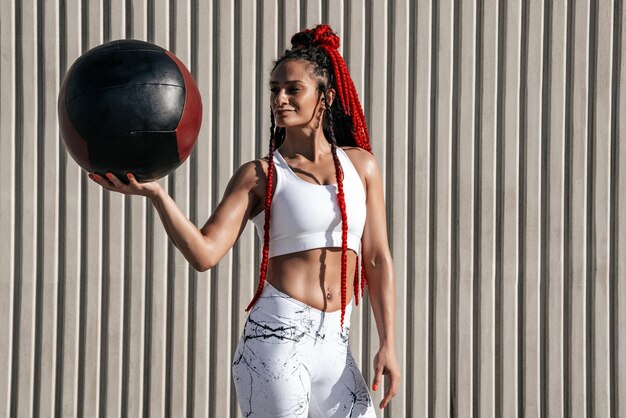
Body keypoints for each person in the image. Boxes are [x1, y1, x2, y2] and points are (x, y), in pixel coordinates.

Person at [89, 24, 400, 418]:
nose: (280, 99)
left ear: (326, 97)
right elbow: (204, 253)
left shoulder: (361, 166)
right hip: (276, 341)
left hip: (337, 346)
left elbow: (376, 259)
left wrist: (388, 342)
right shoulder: (261, 176)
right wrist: (158, 195)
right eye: (274, 90)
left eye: (293, 89)